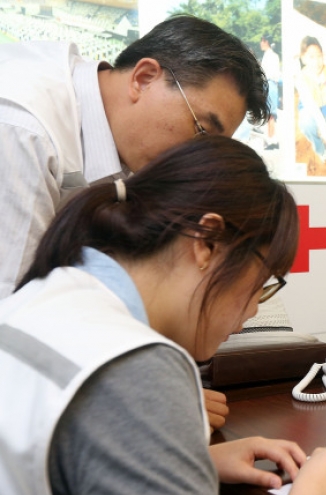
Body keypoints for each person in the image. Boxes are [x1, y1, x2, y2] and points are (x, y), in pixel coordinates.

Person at [0, 136, 326, 495]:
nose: (253, 310)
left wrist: (188, 461)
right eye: (261, 283)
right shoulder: (137, 367)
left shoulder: (49, 291)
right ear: (206, 241)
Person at [0, 14, 267, 430]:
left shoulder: (126, 150)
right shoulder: (21, 127)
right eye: (201, 133)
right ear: (144, 77)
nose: (197, 161)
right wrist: (141, 390)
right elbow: (14, 332)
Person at [295, 36, 326, 163]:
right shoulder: (301, 78)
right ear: (303, 58)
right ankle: (321, 150)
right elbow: (315, 113)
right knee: (306, 123)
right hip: (311, 111)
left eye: (319, 56)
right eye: (311, 57)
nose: (316, 61)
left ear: (323, 55)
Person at [260, 34, 280, 150]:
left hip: (270, 84)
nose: (261, 44)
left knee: (271, 115)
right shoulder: (269, 55)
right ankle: (271, 139)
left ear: (265, 41)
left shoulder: (270, 56)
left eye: (262, 41)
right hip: (269, 84)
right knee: (269, 115)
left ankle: (272, 140)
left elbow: (270, 74)